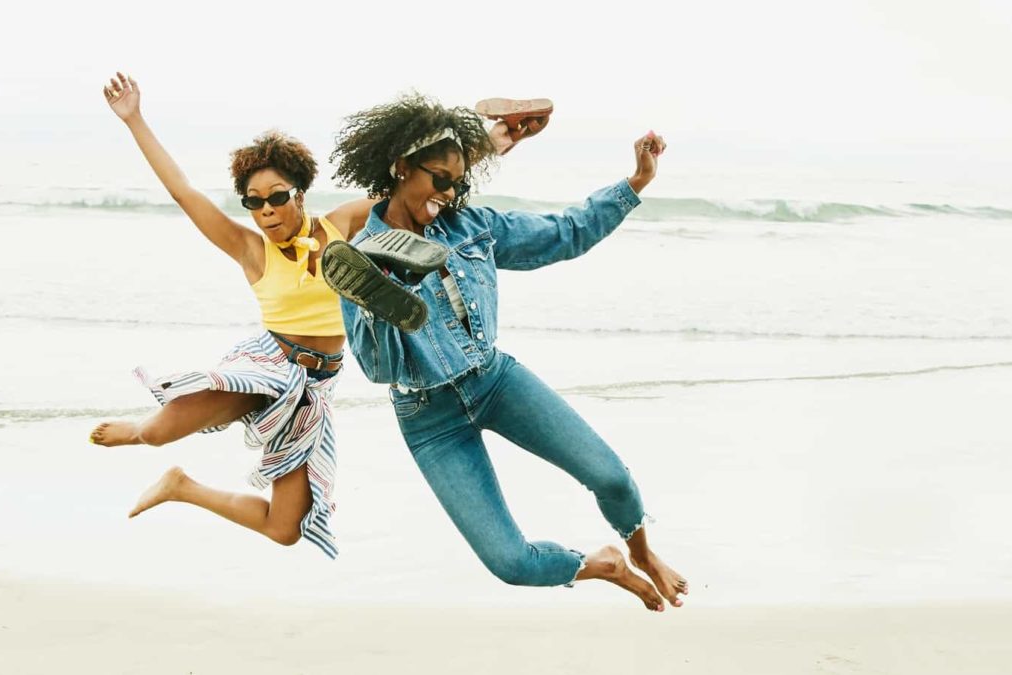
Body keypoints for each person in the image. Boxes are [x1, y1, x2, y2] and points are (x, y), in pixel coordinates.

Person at [90, 72, 546, 559]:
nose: (266, 210)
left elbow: (415, 192)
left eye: (277, 196)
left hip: (316, 387)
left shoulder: (341, 225)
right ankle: (137, 429)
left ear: (299, 193)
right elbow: (184, 192)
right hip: (269, 367)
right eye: (254, 203)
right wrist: (134, 119)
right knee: (156, 433)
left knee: (284, 528)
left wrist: (491, 144)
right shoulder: (250, 250)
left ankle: (180, 486)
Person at [322, 93, 687, 609]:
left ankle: (643, 553)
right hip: (428, 418)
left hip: (494, 381)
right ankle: (603, 565)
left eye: (457, 182)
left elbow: (563, 234)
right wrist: (380, 310)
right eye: (439, 180)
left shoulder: (472, 228)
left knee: (611, 478)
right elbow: (378, 370)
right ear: (401, 167)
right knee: (511, 564)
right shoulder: (356, 263)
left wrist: (636, 182)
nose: (448, 194)